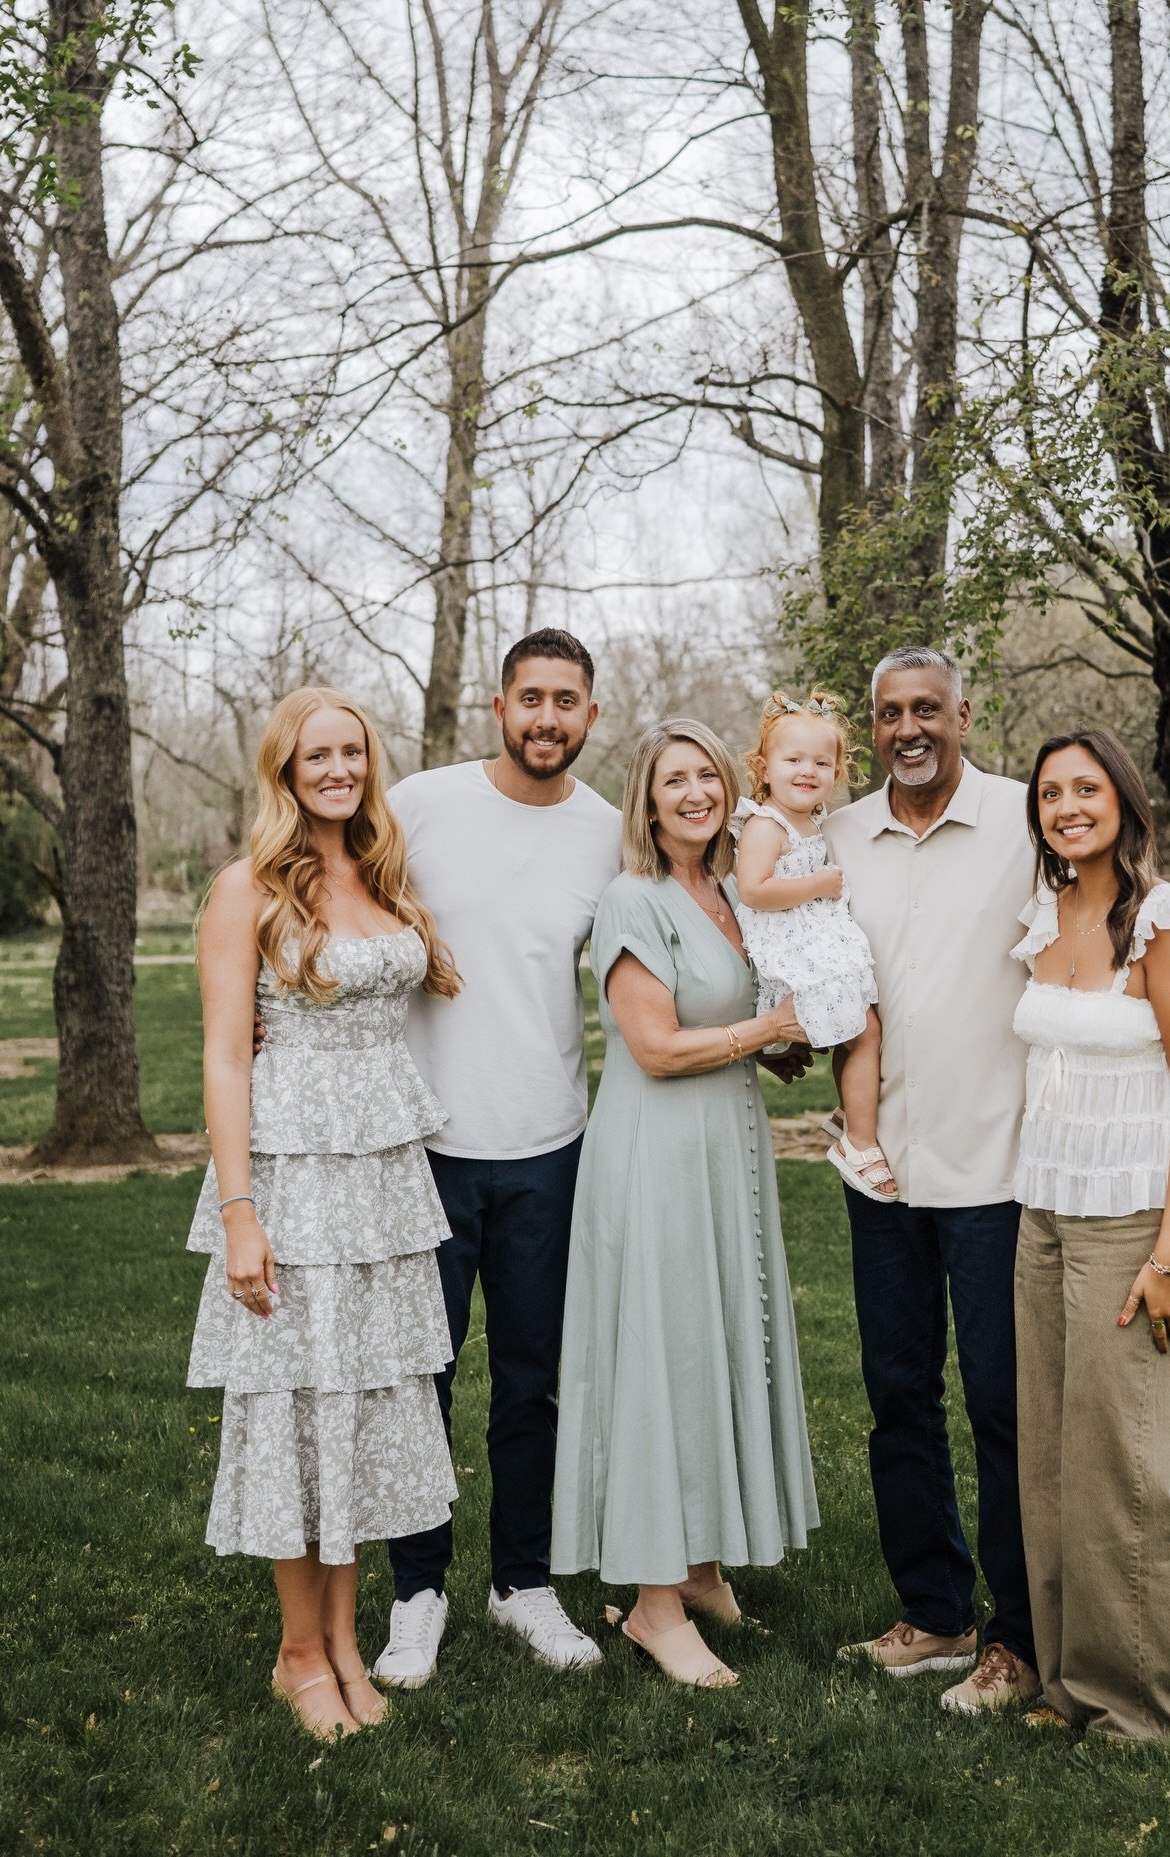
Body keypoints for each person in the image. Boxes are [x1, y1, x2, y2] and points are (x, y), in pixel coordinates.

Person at [824, 648, 1170, 1715]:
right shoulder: (836, 840)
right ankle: (935, 1611)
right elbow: (819, 974)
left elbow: (1166, 945)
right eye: (889, 713)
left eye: (929, 708)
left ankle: (1021, 1643)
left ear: (964, 713)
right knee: (896, 1398)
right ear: (871, 726)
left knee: (1012, 1415)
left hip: (1005, 1170)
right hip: (881, 1170)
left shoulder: (1028, 826)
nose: (909, 727)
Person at [187, 687, 461, 1740]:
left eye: (353, 751)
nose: (338, 768)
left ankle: (347, 1642)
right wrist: (242, 1213)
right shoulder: (245, 888)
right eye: (318, 755)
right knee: (296, 1409)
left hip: (383, 1185)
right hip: (291, 1178)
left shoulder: (384, 874)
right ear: (286, 770)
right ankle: (297, 1652)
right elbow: (220, 1056)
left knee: (361, 1407)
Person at [372, 628, 622, 1687]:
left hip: (549, 1146)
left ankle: (522, 1582)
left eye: (568, 701)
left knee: (532, 1384)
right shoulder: (421, 803)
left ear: (590, 717)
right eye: (532, 698)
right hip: (426, 1144)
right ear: (499, 704)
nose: (548, 718)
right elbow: (322, 894)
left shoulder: (611, 832)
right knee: (421, 1378)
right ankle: (416, 1591)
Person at [550, 718, 820, 1689]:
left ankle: (699, 1567)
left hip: (727, 1143)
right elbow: (656, 1047)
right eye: (675, 780)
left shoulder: (731, 894)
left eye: (708, 774)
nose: (696, 793)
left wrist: (787, 1041)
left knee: (714, 1345)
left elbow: (739, 1020)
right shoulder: (635, 899)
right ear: (648, 800)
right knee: (663, 1360)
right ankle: (653, 1607)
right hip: (655, 1153)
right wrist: (766, 1027)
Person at [1010, 729, 1170, 1740]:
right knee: (1055, 1464)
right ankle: (1071, 1683)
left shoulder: (1166, 920)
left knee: (1130, 1472)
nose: (1068, 805)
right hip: (1045, 1215)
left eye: (1086, 787)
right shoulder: (1046, 914)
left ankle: (1148, 1708)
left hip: (1131, 1221)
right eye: (1051, 793)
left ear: (1125, 799)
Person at [732, 689, 892, 1201]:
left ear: (838, 770)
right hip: (793, 949)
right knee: (864, 1033)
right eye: (793, 759)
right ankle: (859, 1143)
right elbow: (754, 889)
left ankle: (852, 1108)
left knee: (860, 1027)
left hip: (818, 941)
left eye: (822, 761)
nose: (808, 770)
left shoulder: (814, 823)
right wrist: (819, 885)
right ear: (763, 767)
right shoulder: (765, 824)